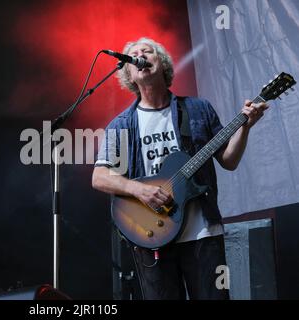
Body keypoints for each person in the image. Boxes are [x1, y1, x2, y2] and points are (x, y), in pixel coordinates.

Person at [92, 37, 268, 300]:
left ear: (162, 63)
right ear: (128, 72)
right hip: (151, 236)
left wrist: (245, 127)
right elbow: (100, 177)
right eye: (134, 55)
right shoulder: (121, 125)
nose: (140, 56)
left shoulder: (198, 109)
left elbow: (229, 161)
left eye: (147, 51)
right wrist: (140, 191)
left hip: (203, 233)